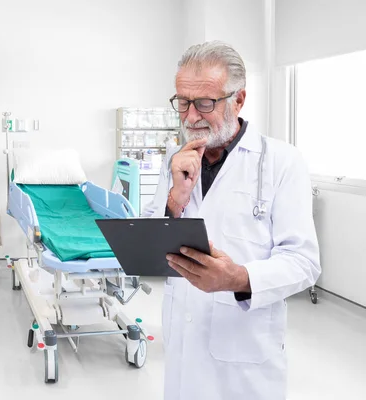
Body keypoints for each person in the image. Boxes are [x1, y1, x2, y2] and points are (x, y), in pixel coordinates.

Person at [142, 41, 321, 400]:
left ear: (238, 100)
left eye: (204, 104)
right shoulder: (176, 160)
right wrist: (174, 200)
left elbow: (304, 262)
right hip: (183, 345)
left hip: (245, 356)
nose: (190, 116)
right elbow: (150, 242)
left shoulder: (282, 162)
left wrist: (238, 278)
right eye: (182, 102)